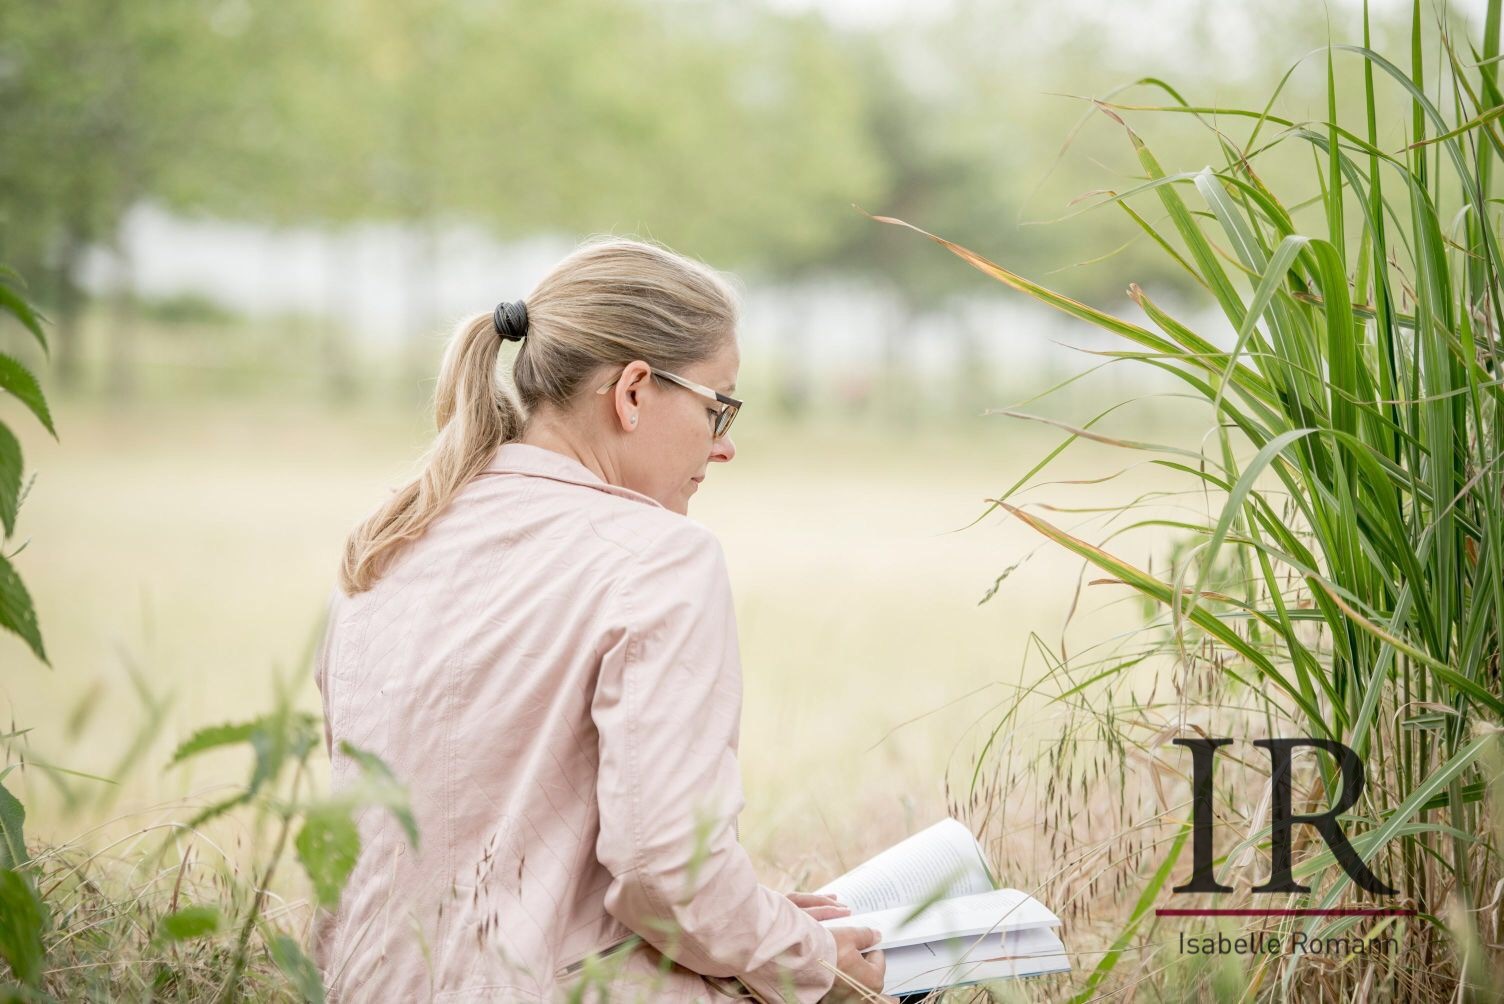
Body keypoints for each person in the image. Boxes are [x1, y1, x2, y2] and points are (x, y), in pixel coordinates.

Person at [311, 238, 889, 1002]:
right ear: (635, 391)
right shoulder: (660, 559)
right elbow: (666, 872)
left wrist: (770, 922)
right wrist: (810, 958)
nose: (726, 446)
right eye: (717, 406)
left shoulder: (388, 542)